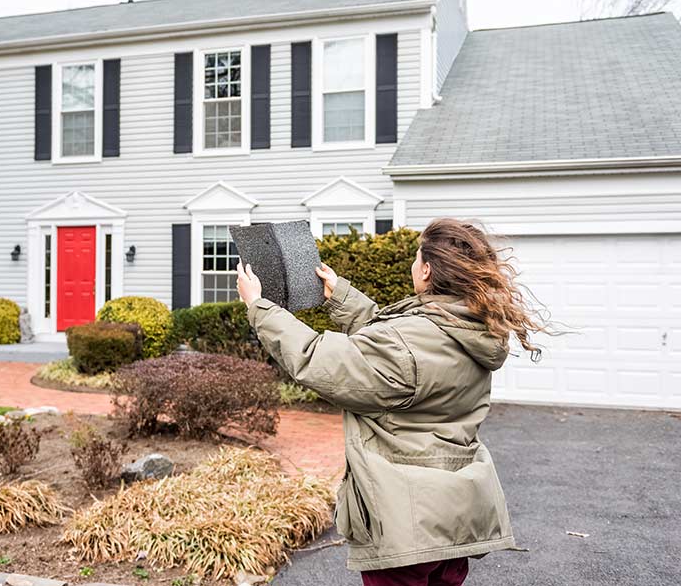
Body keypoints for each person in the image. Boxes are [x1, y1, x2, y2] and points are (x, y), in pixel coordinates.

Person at [235, 218, 548, 586]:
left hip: (408, 524)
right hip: (455, 517)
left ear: (428, 269)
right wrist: (341, 295)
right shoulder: (469, 327)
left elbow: (318, 360)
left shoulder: (416, 337)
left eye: (417, 258)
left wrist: (259, 307)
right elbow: (394, 343)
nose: (414, 265)